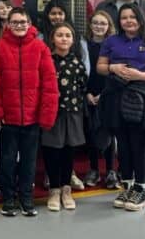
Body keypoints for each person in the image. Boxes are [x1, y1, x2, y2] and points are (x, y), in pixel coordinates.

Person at [0, 8, 58, 218]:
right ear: (8, 24)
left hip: (32, 119)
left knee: (29, 161)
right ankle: (8, 198)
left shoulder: (40, 48)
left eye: (22, 22)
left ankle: (26, 198)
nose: (19, 25)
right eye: (15, 22)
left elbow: (49, 84)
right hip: (8, 119)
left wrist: (46, 116)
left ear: (29, 24)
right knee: (7, 160)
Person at [96, 4, 145, 212]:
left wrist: (139, 75)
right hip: (116, 98)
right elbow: (100, 67)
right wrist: (112, 68)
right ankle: (126, 185)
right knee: (122, 145)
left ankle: (140, 188)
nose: (128, 21)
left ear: (140, 19)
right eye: (124, 18)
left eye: (132, 17)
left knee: (140, 145)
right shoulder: (111, 41)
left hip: (141, 99)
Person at [42, 22, 87, 212]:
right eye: (60, 35)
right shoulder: (46, 60)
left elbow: (83, 86)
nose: (64, 39)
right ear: (52, 38)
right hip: (52, 113)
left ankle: (66, 189)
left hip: (72, 112)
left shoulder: (77, 63)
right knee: (52, 151)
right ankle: (54, 190)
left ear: (73, 40)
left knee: (69, 151)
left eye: (68, 35)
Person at [83, 10, 118, 190]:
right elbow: (82, 72)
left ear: (108, 26)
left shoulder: (112, 48)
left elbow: (114, 74)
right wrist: (87, 94)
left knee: (108, 133)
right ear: (90, 25)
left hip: (107, 94)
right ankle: (94, 169)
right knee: (91, 133)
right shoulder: (84, 46)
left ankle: (111, 170)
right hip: (89, 95)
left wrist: (104, 94)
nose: (99, 26)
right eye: (95, 23)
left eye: (103, 24)